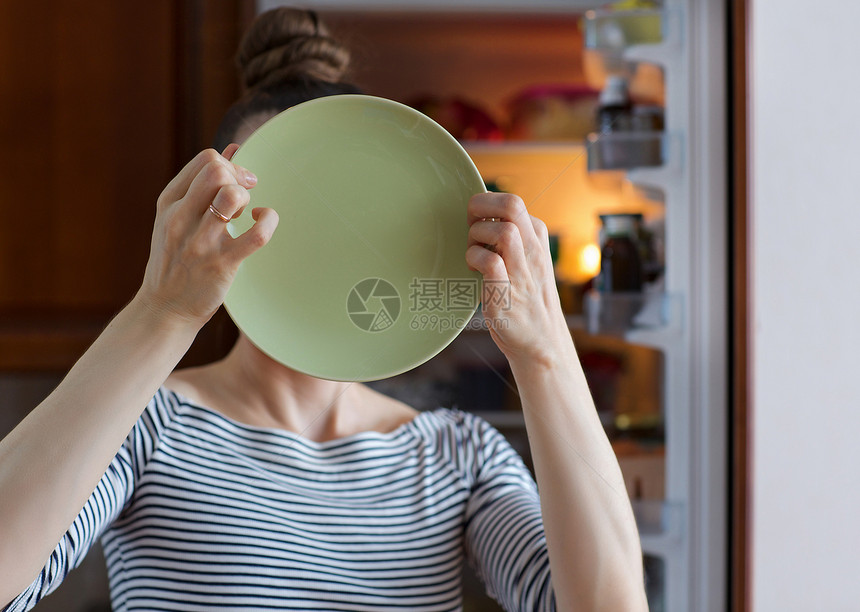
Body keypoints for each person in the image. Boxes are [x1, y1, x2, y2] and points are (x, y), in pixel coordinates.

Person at [0, 8, 646, 612]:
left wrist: (545, 352)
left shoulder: (458, 454)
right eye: (284, 209)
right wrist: (161, 309)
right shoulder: (147, 425)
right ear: (211, 213)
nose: (321, 243)